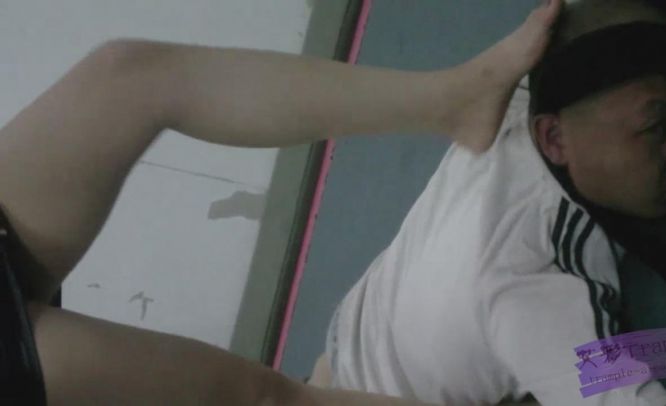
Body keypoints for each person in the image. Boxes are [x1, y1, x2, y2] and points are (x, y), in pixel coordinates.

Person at [0, 1, 565, 405]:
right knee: (264, 397)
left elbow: (598, 369)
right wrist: (602, 367)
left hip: (486, 330)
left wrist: (603, 366)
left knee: (125, 76)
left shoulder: (554, 282)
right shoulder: (551, 297)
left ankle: (456, 102)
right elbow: (598, 373)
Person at [305, 0, 666, 405]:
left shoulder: (519, 92)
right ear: (553, 138)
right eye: (655, 127)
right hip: (370, 388)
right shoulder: (535, 289)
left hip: (355, 335)